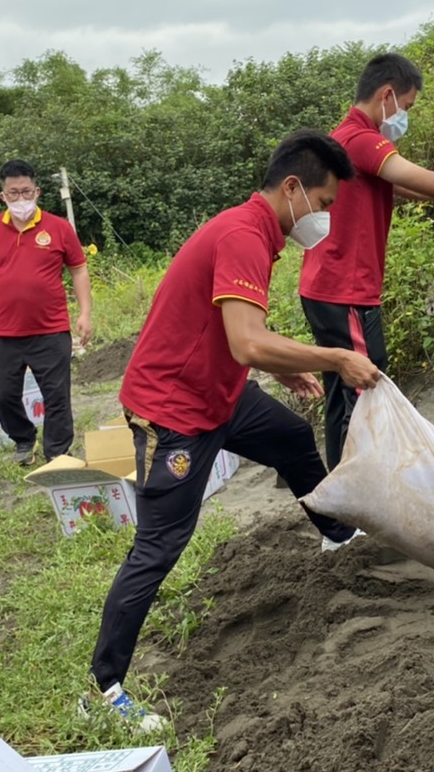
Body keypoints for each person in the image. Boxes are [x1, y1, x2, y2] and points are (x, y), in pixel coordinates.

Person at [87, 129, 382, 731]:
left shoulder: (253, 230)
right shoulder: (245, 237)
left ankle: (335, 535)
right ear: (293, 188)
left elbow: (237, 340)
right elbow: (247, 341)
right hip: (174, 410)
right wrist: (334, 359)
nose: (325, 219)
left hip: (218, 394)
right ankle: (103, 685)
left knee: (292, 440)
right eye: (325, 205)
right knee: (159, 545)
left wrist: (287, 366)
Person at [300, 51, 434, 468]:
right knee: (361, 388)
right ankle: (356, 506)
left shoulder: (347, 138)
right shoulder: (361, 138)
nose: (405, 116)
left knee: (345, 393)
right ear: (387, 95)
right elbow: (433, 185)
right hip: (344, 289)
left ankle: (346, 504)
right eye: (406, 107)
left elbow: (406, 188)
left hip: (330, 287)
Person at [0, 158, 92, 466]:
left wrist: (85, 313)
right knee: (4, 396)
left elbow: (79, 269)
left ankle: (57, 452)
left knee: (57, 395)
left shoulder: (58, 228)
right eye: (13, 193)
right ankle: (23, 437)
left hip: (51, 329)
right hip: (3, 331)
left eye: (26, 192)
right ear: (3, 196)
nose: (21, 199)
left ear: (37, 191)